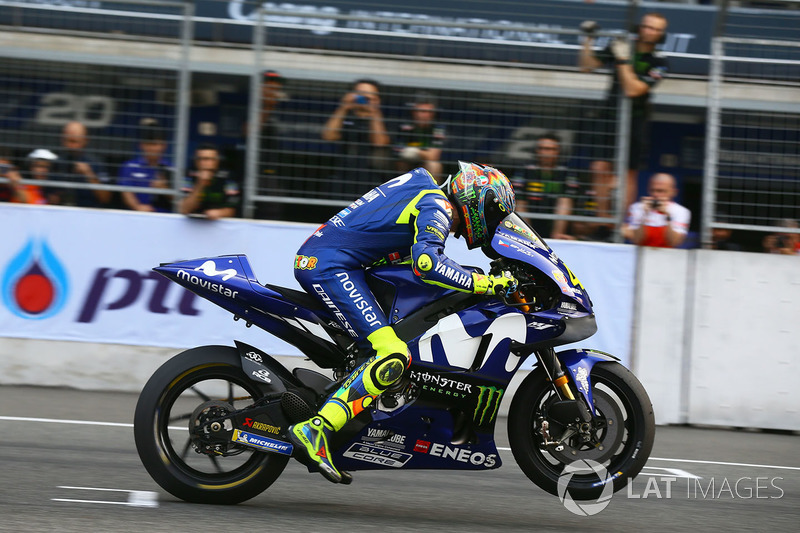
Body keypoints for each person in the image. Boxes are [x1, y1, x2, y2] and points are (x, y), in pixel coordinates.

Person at [289, 162, 518, 484]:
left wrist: (471, 276)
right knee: (394, 354)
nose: (491, 224)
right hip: (330, 267)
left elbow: (415, 257)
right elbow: (428, 263)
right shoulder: (437, 205)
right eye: (493, 214)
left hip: (340, 263)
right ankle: (316, 430)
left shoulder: (427, 194)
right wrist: (486, 285)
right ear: (477, 199)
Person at [578, 13, 669, 209]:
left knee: (629, 172)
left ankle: (620, 224)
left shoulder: (660, 62)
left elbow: (633, 89)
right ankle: (602, 221)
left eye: (655, 29)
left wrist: (622, 60)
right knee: (599, 167)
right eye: (646, 26)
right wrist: (588, 38)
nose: (649, 31)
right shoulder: (622, 44)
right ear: (640, 27)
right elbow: (586, 66)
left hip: (636, 119)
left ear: (662, 34)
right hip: (609, 115)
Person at [321, 78, 391, 195]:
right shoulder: (345, 116)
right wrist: (344, 107)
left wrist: (374, 111)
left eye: (369, 96)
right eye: (360, 94)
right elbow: (328, 135)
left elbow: (379, 142)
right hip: (342, 178)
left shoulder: (383, 119)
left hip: (372, 181)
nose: (363, 99)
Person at [512, 132, 580, 240]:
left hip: (557, 224)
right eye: (542, 148)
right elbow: (519, 201)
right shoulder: (524, 171)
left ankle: (557, 237)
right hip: (530, 220)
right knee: (519, 201)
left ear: (558, 152)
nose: (546, 153)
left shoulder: (567, 173)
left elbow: (568, 200)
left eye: (550, 149)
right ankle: (528, 236)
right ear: (537, 151)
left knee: (565, 200)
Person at [48, 121, 112, 207]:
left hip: (89, 212)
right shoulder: (56, 163)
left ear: (85, 140)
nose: (70, 146)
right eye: (67, 140)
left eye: (74, 141)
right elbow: (49, 198)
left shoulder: (96, 163)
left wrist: (89, 174)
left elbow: (105, 198)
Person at [622, 172, 691, 248]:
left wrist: (667, 217)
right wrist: (644, 215)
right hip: (640, 254)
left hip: (668, 255)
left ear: (673, 192)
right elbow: (637, 240)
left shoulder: (681, 211)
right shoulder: (637, 207)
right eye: (653, 190)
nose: (656, 195)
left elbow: (674, 242)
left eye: (661, 191)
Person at [118, 118, 172, 213]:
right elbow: (126, 191)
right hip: (136, 216)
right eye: (149, 144)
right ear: (141, 145)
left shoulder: (171, 168)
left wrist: (164, 189)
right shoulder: (130, 166)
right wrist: (137, 207)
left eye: (156, 144)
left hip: (164, 218)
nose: (152, 148)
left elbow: (180, 200)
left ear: (164, 146)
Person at [395, 91, 446, 182]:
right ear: (414, 112)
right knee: (401, 163)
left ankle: (433, 195)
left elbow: (434, 156)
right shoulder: (406, 126)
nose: (426, 115)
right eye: (422, 111)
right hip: (407, 163)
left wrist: (417, 152)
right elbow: (398, 152)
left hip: (425, 163)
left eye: (430, 112)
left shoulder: (437, 128)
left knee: (434, 165)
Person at [180, 143, 240, 220]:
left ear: (217, 161)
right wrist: (200, 184)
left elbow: (232, 209)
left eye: (208, 159)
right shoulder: (188, 176)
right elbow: (184, 209)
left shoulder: (228, 178)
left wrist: (220, 212)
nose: (203, 163)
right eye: (200, 159)